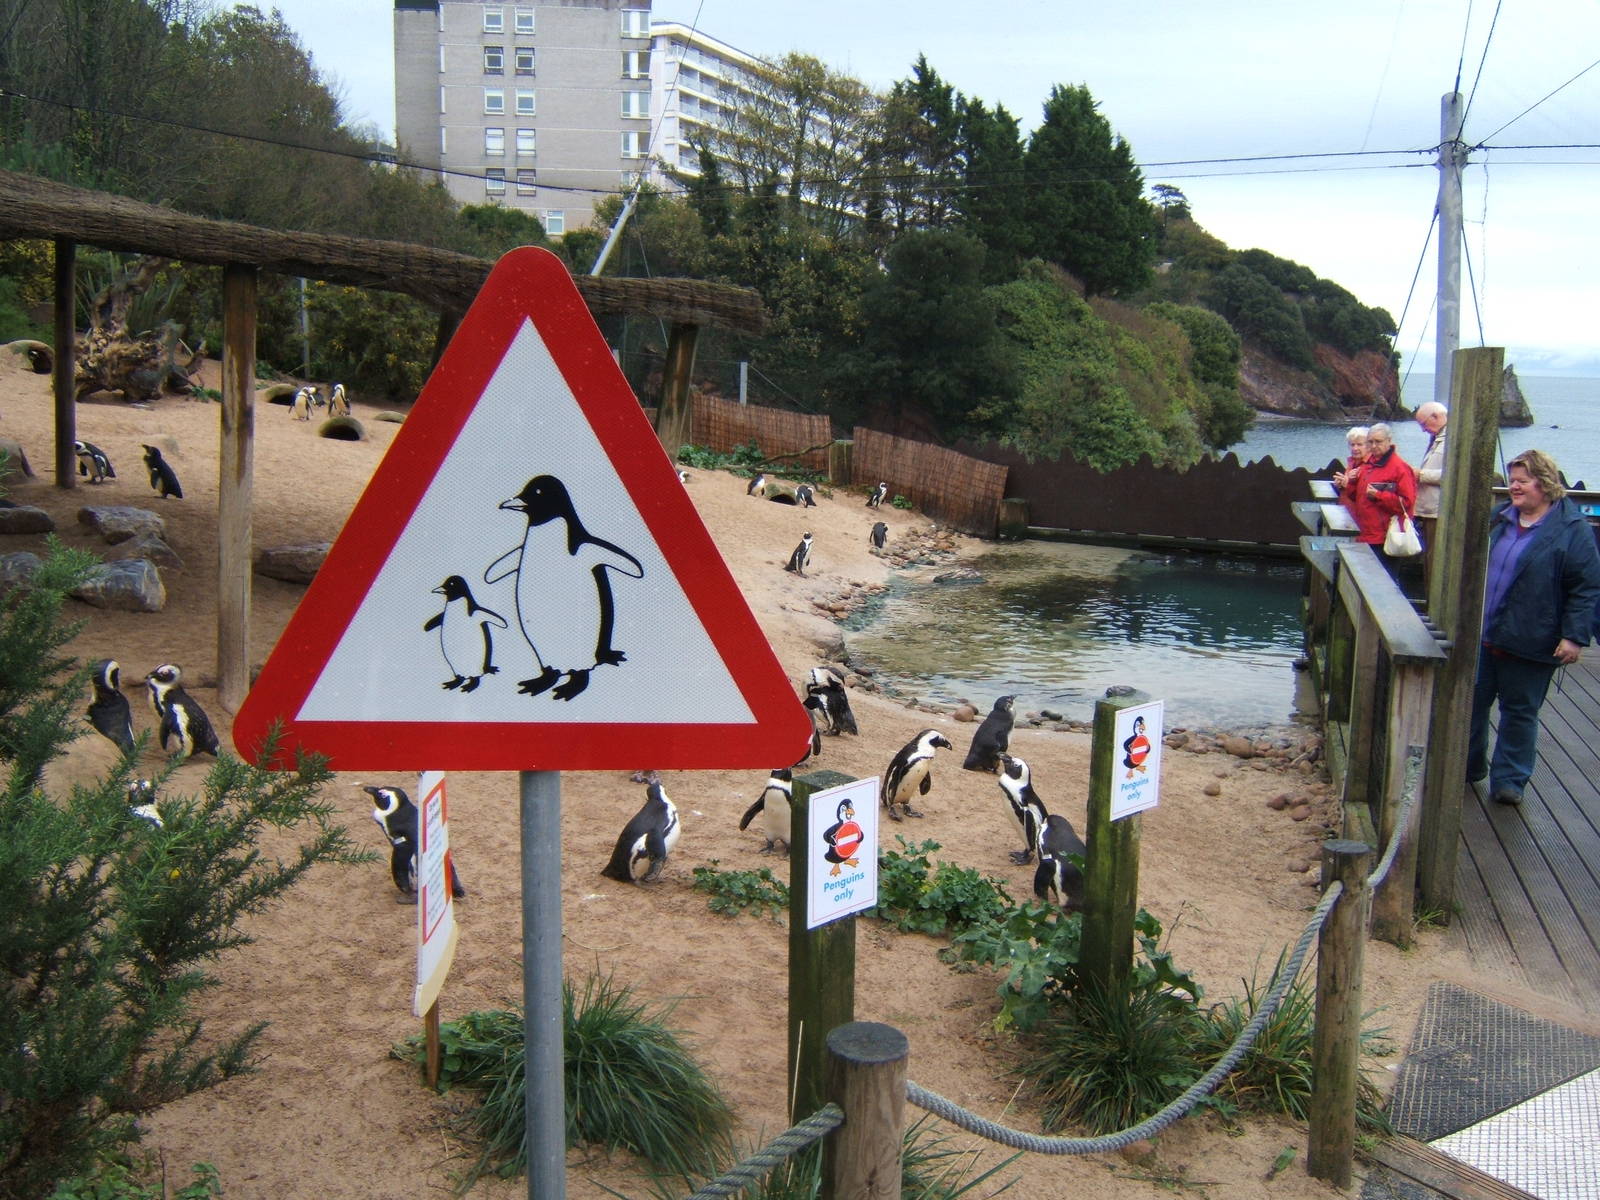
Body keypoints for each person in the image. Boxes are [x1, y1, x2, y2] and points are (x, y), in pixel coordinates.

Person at [1468, 450, 1600, 805]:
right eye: (1512, 480)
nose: (1514, 487)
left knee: (1520, 711)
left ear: (1543, 484)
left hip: (1532, 639)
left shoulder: (1571, 531)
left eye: (1522, 481)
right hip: (1485, 633)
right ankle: (1468, 766)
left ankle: (1510, 780)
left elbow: (1586, 587)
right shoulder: (1500, 518)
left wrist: (1574, 636)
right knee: (1473, 703)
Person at [1348, 423, 1416, 578]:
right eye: (1370, 442)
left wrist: (1379, 496)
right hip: (1366, 533)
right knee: (1365, 580)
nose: (1373, 446)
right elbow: (1358, 498)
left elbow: (1407, 503)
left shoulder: (1400, 468)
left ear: (1388, 441)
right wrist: (1352, 482)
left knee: (1384, 581)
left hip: (1384, 538)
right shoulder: (1368, 465)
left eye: (1378, 442)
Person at [1414, 402, 1448, 586]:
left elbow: (1454, 474)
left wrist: (1421, 475)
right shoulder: (1437, 438)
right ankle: (1429, 603)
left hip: (1438, 511)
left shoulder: (1452, 438)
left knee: (1435, 561)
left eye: (1424, 424)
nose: (1423, 430)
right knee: (1428, 559)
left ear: (1436, 416)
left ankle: (1434, 607)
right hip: (1428, 510)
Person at [1332, 426, 1368, 513]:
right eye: (1352, 444)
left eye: (1359, 444)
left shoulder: (1370, 465)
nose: (1355, 448)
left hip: (1359, 516)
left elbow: (1368, 494)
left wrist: (1347, 484)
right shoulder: (1352, 462)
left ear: (1368, 446)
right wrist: (1340, 485)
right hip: (1345, 510)